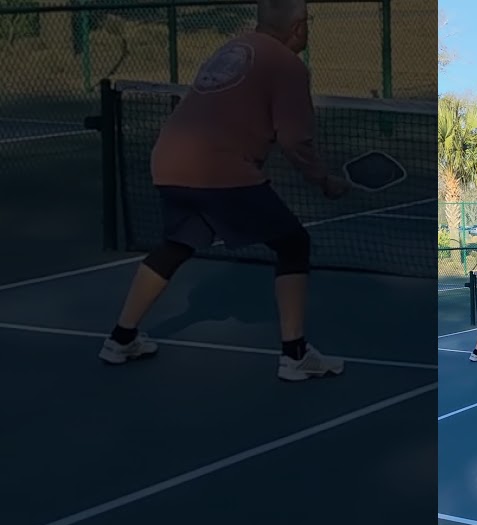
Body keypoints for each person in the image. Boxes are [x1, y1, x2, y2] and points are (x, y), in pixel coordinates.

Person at [96, 0, 351, 381]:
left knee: (177, 244)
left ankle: (120, 339)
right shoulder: (288, 65)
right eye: (308, 23)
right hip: (219, 167)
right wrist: (324, 181)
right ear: (298, 27)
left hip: (167, 160)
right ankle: (295, 354)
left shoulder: (231, 49)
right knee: (293, 244)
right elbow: (295, 139)